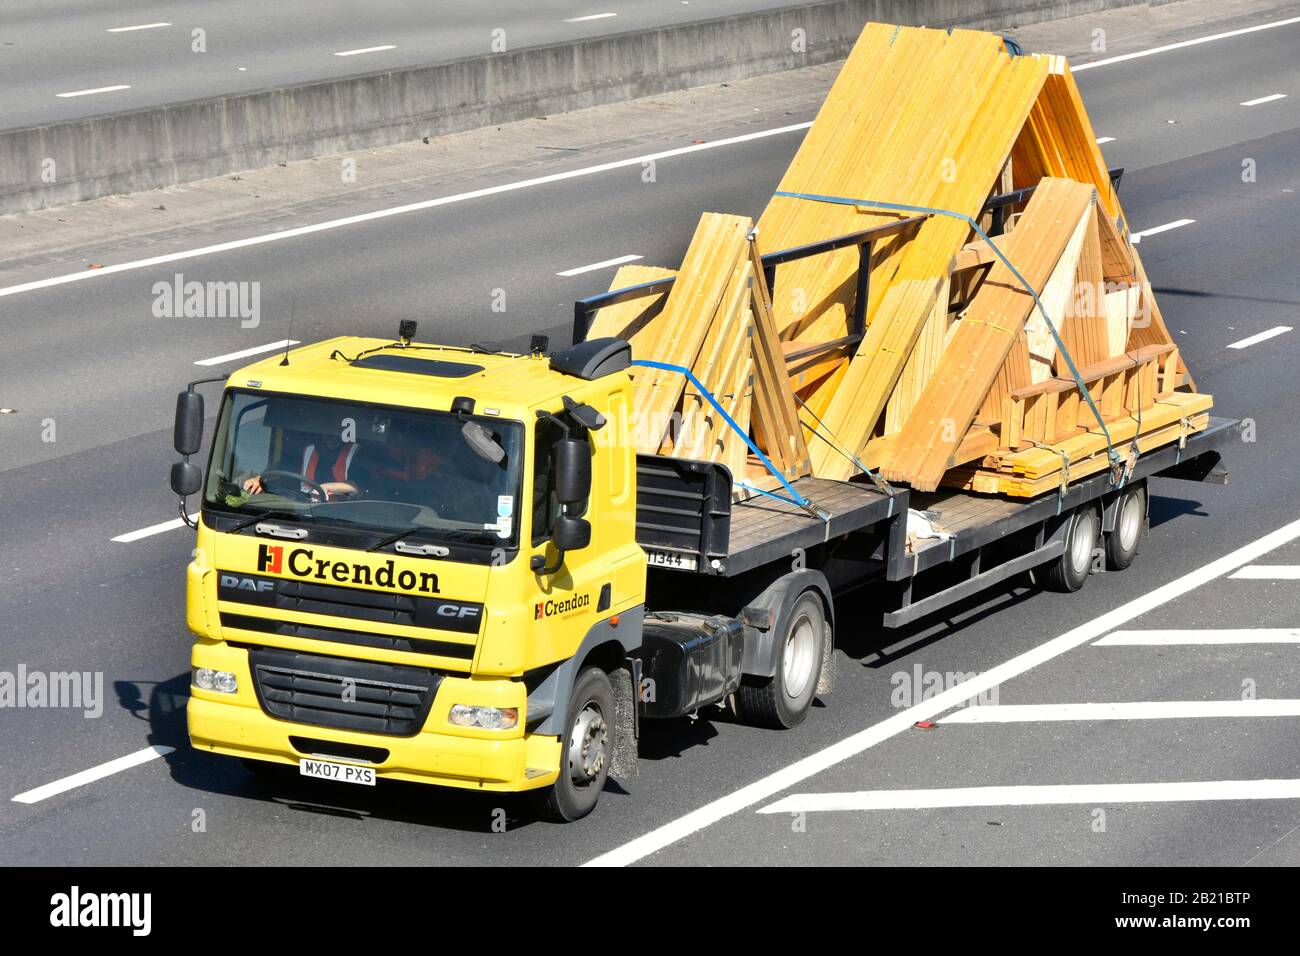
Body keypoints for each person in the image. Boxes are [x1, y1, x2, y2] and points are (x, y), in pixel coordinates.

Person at [242, 432, 361, 501]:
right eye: (327, 432)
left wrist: (325, 487)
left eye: (335, 432)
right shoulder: (306, 451)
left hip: (341, 517)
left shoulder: (356, 453)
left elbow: (355, 486)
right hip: (303, 513)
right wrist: (259, 479)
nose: (331, 436)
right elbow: (280, 468)